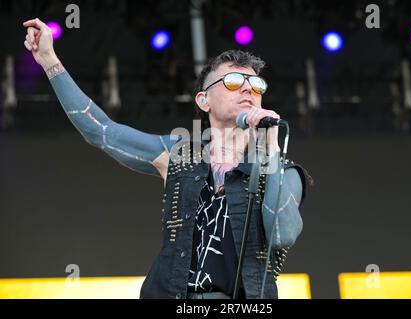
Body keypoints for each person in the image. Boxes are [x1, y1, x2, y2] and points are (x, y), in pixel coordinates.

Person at [22, 18, 310, 299]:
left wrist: (269, 149)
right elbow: (102, 132)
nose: (249, 89)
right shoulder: (179, 155)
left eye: (256, 84)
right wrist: (49, 60)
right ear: (203, 100)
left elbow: (282, 234)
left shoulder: (284, 171)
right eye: (234, 81)